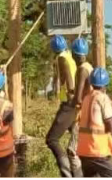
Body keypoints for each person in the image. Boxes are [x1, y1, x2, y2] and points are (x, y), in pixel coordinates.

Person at [46, 35, 82, 178]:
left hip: (69, 103)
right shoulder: (69, 56)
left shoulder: (61, 58)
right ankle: (79, 174)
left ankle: (67, 174)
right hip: (73, 103)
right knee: (74, 145)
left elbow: (68, 77)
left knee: (52, 139)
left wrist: (70, 93)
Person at [77, 68, 112, 177]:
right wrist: (110, 129)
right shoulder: (103, 98)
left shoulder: (87, 98)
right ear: (105, 84)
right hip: (96, 149)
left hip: (83, 148)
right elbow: (109, 123)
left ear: (92, 83)